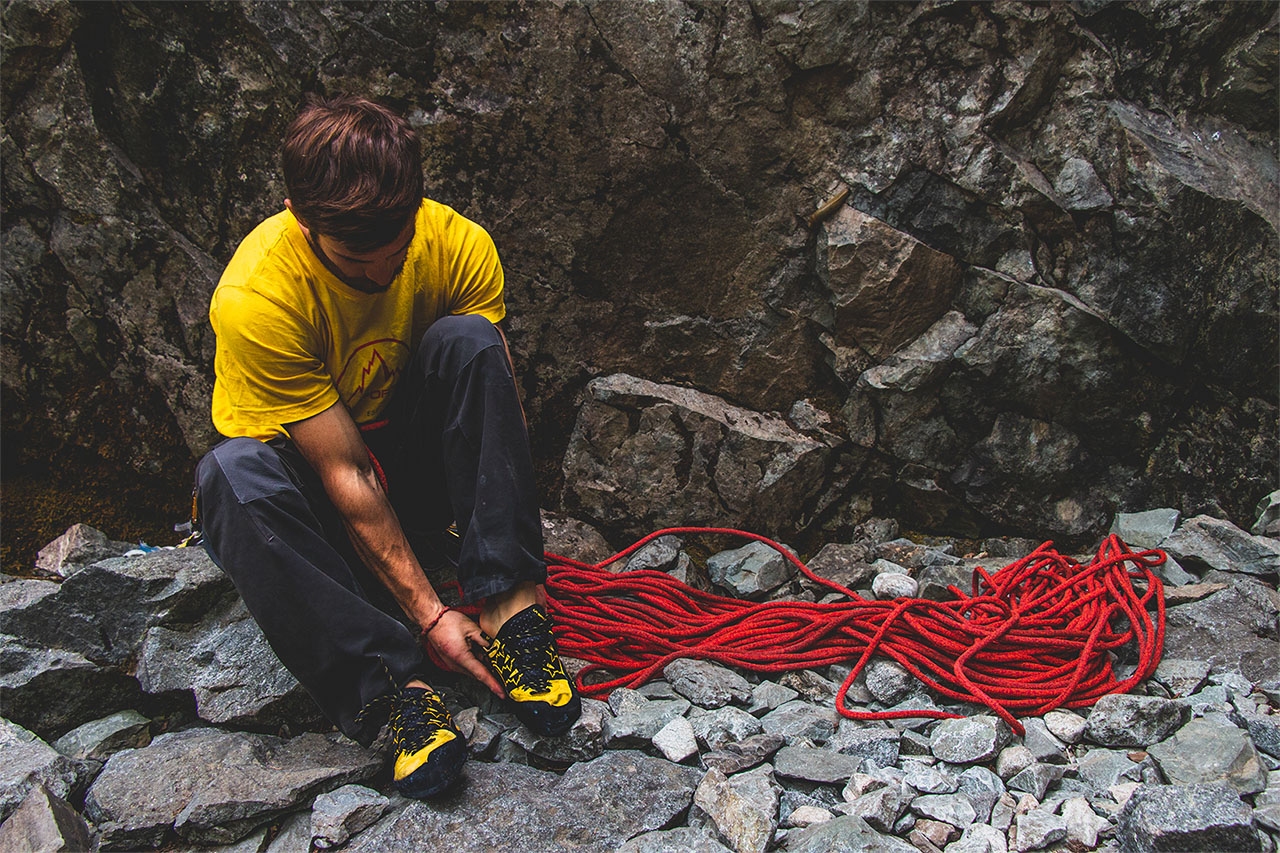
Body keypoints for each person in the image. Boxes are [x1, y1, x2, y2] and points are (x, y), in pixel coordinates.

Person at [194, 94, 580, 799]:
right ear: (296, 213)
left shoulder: (458, 244)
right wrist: (429, 615)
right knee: (229, 472)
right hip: (324, 499)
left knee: (469, 340)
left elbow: (492, 410)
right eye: (355, 259)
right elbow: (343, 471)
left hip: (412, 474)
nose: (381, 272)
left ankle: (512, 610)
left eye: (395, 249)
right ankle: (396, 687)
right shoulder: (258, 298)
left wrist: (488, 570)